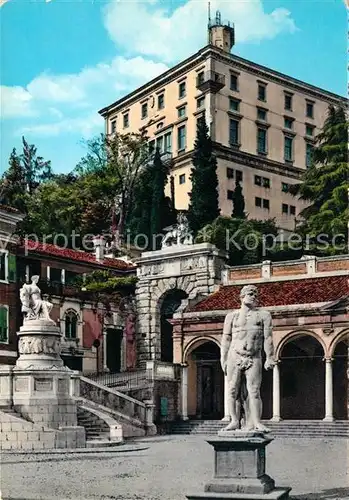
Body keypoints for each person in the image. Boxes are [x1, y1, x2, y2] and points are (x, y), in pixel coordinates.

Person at [220, 284, 275, 431]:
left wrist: (270, 357)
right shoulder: (231, 316)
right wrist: (223, 359)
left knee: (254, 390)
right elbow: (225, 339)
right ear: (242, 296)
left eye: (256, 295)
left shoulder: (264, 315)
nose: (254, 297)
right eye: (251, 294)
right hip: (234, 355)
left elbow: (268, 338)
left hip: (254, 356)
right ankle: (234, 421)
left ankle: (256, 422)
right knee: (232, 389)